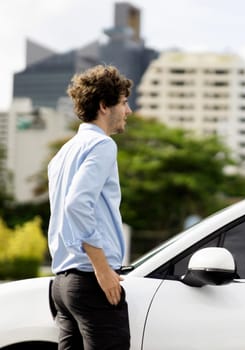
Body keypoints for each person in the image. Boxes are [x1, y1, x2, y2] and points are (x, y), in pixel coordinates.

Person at [48, 65, 133, 349]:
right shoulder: (102, 145)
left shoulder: (63, 153)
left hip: (62, 285)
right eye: (123, 103)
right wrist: (103, 269)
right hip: (90, 280)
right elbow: (77, 204)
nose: (128, 111)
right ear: (103, 106)